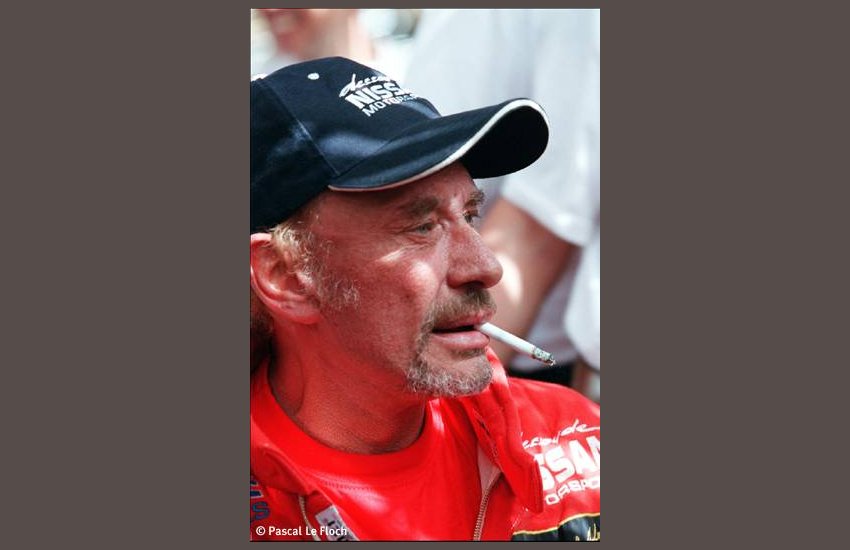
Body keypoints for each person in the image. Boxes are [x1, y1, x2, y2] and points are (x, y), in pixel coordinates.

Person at [249, 56, 600, 541]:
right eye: (422, 226)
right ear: (286, 275)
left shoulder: (575, 439)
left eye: (470, 215)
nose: (486, 266)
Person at [404, 9, 601, 400]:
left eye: (470, 215)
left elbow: (535, 236)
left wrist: (442, 413)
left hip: (505, 358)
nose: (486, 268)